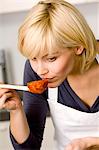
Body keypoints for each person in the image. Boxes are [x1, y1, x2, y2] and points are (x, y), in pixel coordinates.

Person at [0, 0, 99, 149]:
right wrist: (16, 110)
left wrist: (91, 142)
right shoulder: (37, 72)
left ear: (78, 47)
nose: (40, 70)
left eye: (51, 58)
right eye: (33, 58)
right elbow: (29, 147)